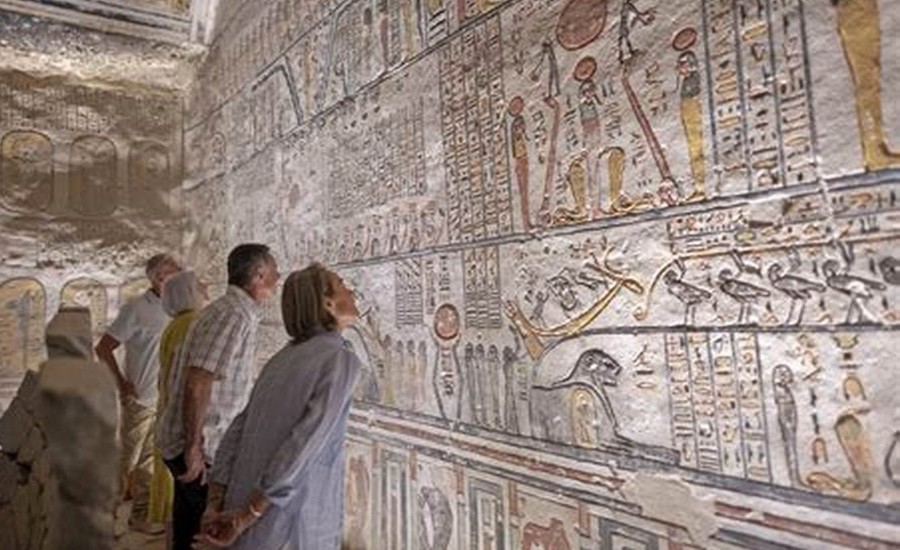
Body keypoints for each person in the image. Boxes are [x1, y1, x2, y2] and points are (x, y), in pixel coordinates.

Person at [197, 263, 361, 549]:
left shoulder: (282, 358)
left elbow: (237, 430)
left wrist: (216, 502)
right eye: (342, 284)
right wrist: (248, 515)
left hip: (244, 503)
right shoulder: (339, 359)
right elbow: (303, 445)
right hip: (289, 517)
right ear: (328, 303)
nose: (352, 290)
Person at [157, 243, 279, 550]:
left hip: (200, 444)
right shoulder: (232, 314)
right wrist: (193, 447)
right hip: (200, 447)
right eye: (273, 270)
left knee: (190, 529)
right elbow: (198, 382)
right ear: (258, 275)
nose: (278, 277)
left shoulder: (233, 312)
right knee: (208, 533)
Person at [95, 253, 181, 534]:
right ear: (159, 278)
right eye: (175, 272)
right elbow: (103, 348)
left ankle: (140, 515)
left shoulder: (175, 308)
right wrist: (121, 384)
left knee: (148, 461)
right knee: (127, 459)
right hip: (141, 397)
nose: (180, 275)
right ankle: (104, 518)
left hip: (164, 398)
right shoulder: (136, 309)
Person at [148, 271, 208, 528]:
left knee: (182, 504)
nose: (205, 290)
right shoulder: (191, 323)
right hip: (180, 422)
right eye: (200, 286)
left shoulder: (177, 323)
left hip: (168, 410)